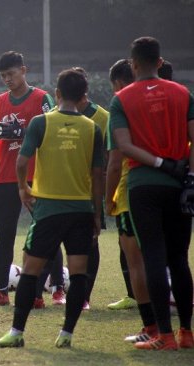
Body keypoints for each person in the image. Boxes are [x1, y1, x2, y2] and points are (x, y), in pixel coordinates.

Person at [0, 68, 104, 348]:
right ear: (83, 97)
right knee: (78, 273)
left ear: (57, 94)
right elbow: (98, 175)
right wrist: (97, 214)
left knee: (30, 270)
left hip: (49, 210)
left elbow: (21, 162)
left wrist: (22, 188)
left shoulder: (41, 123)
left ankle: (17, 332)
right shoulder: (93, 129)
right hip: (81, 211)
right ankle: (66, 334)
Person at [110, 36, 193, 350]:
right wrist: (190, 177)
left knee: (154, 258)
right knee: (180, 259)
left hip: (144, 185)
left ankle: (165, 336)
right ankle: (187, 332)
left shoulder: (122, 98)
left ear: (132, 64)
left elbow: (125, 145)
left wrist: (159, 163)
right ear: (160, 62)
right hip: (179, 186)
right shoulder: (183, 93)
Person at [0, 51, 65, 307]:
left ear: (24, 71)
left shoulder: (41, 99)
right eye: (3, 76)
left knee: (47, 231)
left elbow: (55, 129)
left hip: (38, 177)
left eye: (11, 74)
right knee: (5, 234)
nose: (7, 79)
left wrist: (24, 131)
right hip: (4, 177)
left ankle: (58, 289)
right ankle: (1, 291)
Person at [105, 58, 157, 342]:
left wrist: (108, 200)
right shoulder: (173, 97)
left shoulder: (122, 105)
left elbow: (115, 162)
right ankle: (183, 330)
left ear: (119, 83)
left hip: (132, 192)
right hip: (171, 188)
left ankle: (151, 328)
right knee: (168, 259)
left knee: (137, 262)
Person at [73, 67, 109, 310]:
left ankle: (85, 296)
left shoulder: (102, 117)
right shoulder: (56, 115)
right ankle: (49, 292)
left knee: (91, 242)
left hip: (89, 190)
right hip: (61, 190)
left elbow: (106, 159)